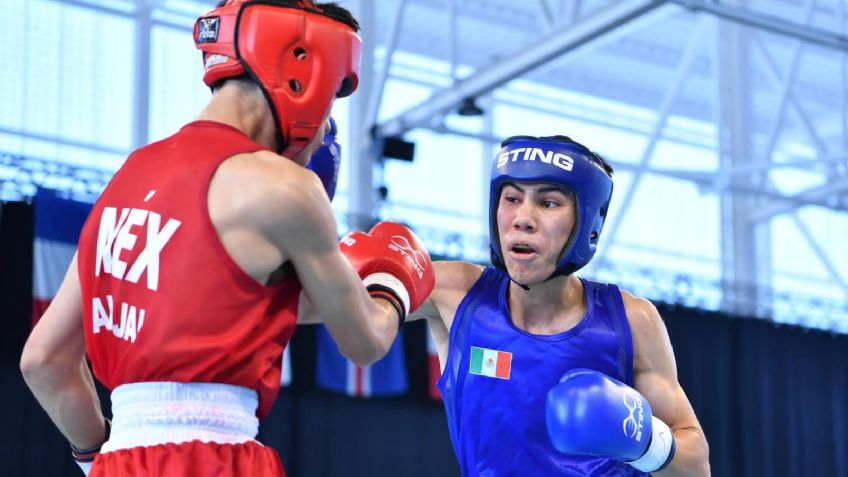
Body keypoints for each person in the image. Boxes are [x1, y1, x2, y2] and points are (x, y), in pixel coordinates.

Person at [19, 1, 434, 476]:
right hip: (217, 458)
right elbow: (365, 343)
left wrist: (100, 459)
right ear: (304, 71)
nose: (324, 132)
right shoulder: (284, 187)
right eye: (333, 99)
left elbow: (44, 361)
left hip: (121, 459)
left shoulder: (128, 177)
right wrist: (393, 282)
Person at [412, 135, 710, 476]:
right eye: (511, 198)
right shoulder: (458, 292)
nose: (523, 218)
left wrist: (644, 441)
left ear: (588, 226)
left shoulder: (628, 321)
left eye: (548, 203)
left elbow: (697, 467)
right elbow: (356, 309)